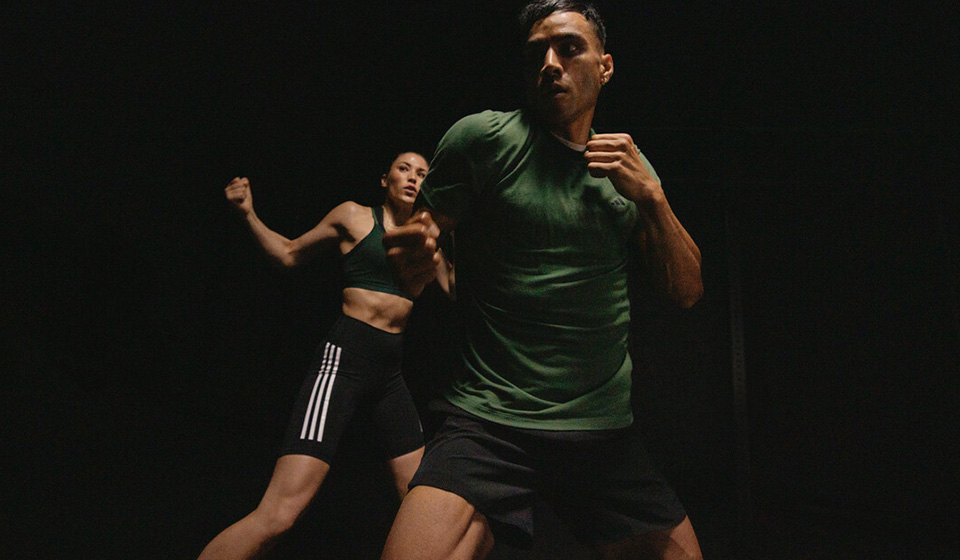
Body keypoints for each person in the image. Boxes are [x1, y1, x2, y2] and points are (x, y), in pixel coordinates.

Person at [380, 2, 705, 559]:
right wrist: (413, 260)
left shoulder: (628, 166)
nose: (551, 63)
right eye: (537, 54)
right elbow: (421, 238)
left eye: (570, 48)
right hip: (489, 420)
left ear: (604, 66)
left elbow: (687, 290)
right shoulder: (483, 139)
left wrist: (653, 198)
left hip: (602, 428)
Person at [198, 152, 450, 560]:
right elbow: (289, 253)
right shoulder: (353, 216)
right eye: (404, 169)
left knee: (420, 503)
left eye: (422, 174)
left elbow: (455, 288)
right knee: (280, 514)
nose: (412, 178)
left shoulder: (426, 237)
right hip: (344, 362)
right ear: (384, 178)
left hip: (389, 373)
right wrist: (247, 214)